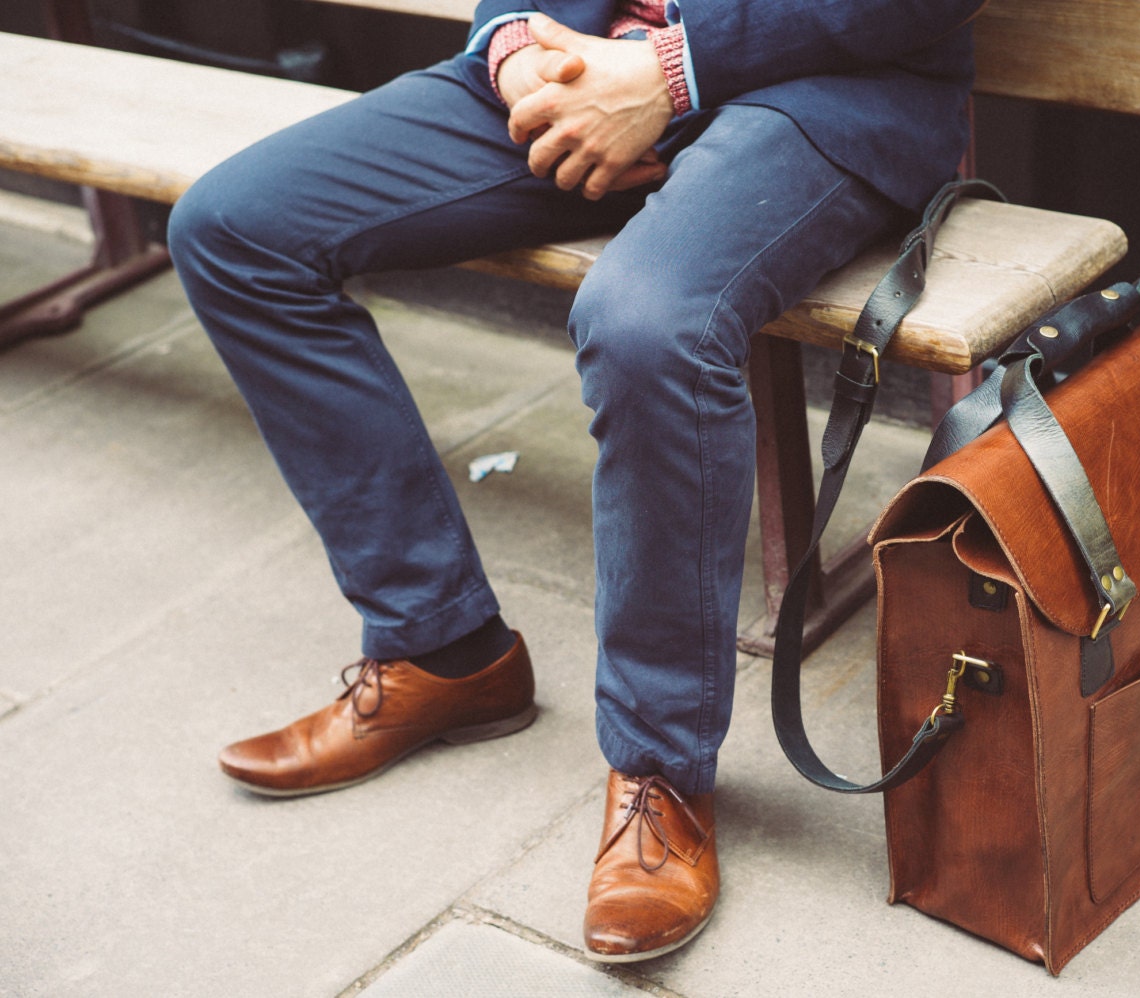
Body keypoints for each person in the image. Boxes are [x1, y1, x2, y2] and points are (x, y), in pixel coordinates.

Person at [167, 0, 979, 963]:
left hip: (816, 90)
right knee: (235, 228)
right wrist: (515, 43)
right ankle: (444, 650)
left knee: (647, 324)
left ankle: (659, 770)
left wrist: (675, 72)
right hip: (583, 60)